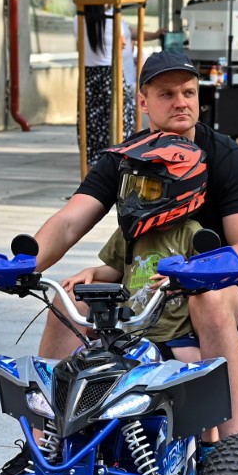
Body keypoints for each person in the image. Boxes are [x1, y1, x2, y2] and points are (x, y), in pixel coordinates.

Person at [29, 50, 238, 443]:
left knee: (207, 299)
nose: (181, 102)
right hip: (144, 288)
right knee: (68, 300)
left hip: (225, 291)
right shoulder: (125, 158)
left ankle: (233, 448)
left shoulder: (229, 159)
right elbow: (69, 221)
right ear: (143, 101)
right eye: (167, 94)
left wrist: (193, 274)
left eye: (188, 92)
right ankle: (46, 445)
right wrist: (24, 263)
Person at [62, 135, 208, 348]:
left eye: (151, 190)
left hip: (174, 333)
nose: (136, 198)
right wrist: (91, 272)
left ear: (180, 190)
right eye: (133, 188)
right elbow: (116, 269)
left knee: (194, 364)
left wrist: (183, 278)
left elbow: (205, 274)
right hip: (130, 329)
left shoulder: (191, 232)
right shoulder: (130, 233)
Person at [81, 0, 140, 150]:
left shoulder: (79, 19)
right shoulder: (113, 18)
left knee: (92, 126)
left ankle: (93, 162)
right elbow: (122, 44)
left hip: (89, 76)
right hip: (110, 75)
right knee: (120, 123)